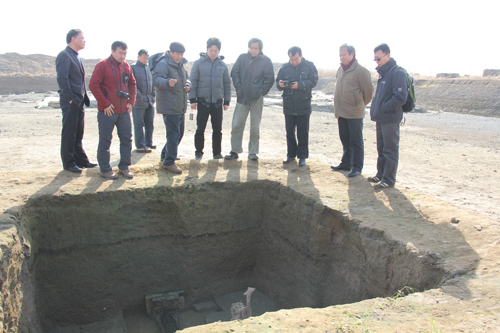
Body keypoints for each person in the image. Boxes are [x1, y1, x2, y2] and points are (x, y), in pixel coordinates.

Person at [89, 41, 137, 180]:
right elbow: (93, 85)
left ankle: (124, 167)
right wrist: (104, 103)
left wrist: (131, 102)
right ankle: (105, 169)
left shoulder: (126, 66)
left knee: (127, 139)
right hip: (107, 111)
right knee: (105, 141)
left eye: (125, 53)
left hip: (124, 111)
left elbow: (132, 84)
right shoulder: (102, 65)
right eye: (120, 53)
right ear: (113, 51)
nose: (123, 56)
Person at [225, 38, 274, 161]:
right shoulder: (242, 58)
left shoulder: (266, 61)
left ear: (260, 49)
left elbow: (270, 78)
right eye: (251, 47)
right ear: (248, 47)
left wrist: (262, 92)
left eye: (256, 48)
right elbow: (234, 73)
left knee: (255, 126)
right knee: (237, 124)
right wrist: (239, 89)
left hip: (257, 98)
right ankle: (234, 150)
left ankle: (253, 152)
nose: (253, 50)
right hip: (242, 97)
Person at [55, 29, 96, 173]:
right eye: (82, 38)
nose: (84, 40)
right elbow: (62, 78)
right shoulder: (64, 55)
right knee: (69, 132)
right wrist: (70, 98)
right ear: (73, 39)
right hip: (71, 101)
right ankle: (68, 163)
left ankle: (81, 160)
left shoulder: (76, 56)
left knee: (78, 132)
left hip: (79, 101)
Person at [331, 44, 374, 177]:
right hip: (342, 111)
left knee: (356, 140)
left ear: (352, 54)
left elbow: (369, 91)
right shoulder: (340, 70)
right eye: (340, 55)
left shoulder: (361, 71)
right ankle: (346, 163)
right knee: (345, 139)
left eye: (344, 54)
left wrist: (359, 104)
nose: (342, 57)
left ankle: (357, 167)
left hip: (354, 113)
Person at [369, 43, 407, 189]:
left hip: (390, 118)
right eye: (375, 59)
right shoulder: (384, 73)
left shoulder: (396, 72)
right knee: (381, 148)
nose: (377, 62)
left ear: (388, 55)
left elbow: (400, 97)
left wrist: (384, 108)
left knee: (390, 149)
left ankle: (388, 179)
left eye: (379, 58)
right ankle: (381, 174)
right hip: (381, 117)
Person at [189, 37, 231, 160]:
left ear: (219, 51)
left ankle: (217, 153)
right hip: (203, 101)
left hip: (217, 102)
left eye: (216, 51)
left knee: (217, 129)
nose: (213, 53)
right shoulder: (198, 63)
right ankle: (198, 152)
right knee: (200, 128)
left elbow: (227, 84)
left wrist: (226, 101)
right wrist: (192, 100)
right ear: (207, 49)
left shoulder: (222, 65)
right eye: (211, 50)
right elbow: (193, 82)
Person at [152, 42, 191, 174]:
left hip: (179, 105)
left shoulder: (180, 65)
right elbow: (156, 79)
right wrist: (167, 82)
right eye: (177, 54)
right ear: (171, 52)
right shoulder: (163, 64)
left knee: (178, 134)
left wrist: (187, 84)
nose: (179, 56)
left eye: (181, 54)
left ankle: (166, 156)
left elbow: (187, 77)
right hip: (169, 105)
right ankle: (169, 162)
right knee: (173, 134)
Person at [276, 46, 318, 167]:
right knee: (289, 131)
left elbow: (314, 81)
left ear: (301, 55)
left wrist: (299, 85)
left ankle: (302, 156)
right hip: (289, 104)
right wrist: (280, 84)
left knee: (302, 132)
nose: (294, 61)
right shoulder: (284, 68)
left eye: (296, 59)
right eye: (291, 59)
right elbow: (278, 83)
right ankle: (291, 154)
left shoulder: (309, 66)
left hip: (303, 104)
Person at [131, 49, 156, 153]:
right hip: (138, 102)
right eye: (144, 57)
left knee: (150, 123)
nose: (146, 59)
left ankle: (148, 143)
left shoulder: (149, 69)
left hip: (150, 101)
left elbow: (153, 83)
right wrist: (139, 95)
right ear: (138, 57)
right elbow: (132, 84)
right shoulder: (133, 68)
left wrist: (153, 94)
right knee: (139, 124)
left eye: (147, 58)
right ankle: (140, 145)